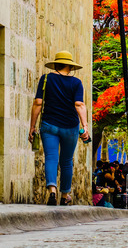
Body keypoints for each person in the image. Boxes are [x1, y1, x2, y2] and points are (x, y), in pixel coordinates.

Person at [28, 51, 90, 206]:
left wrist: (32, 126)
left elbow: (37, 103)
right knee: (66, 161)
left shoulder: (46, 78)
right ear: (70, 66)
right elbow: (79, 104)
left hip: (49, 125)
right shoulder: (76, 83)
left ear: (56, 64)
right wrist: (85, 126)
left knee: (51, 157)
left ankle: (52, 191)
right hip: (70, 127)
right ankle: (64, 195)